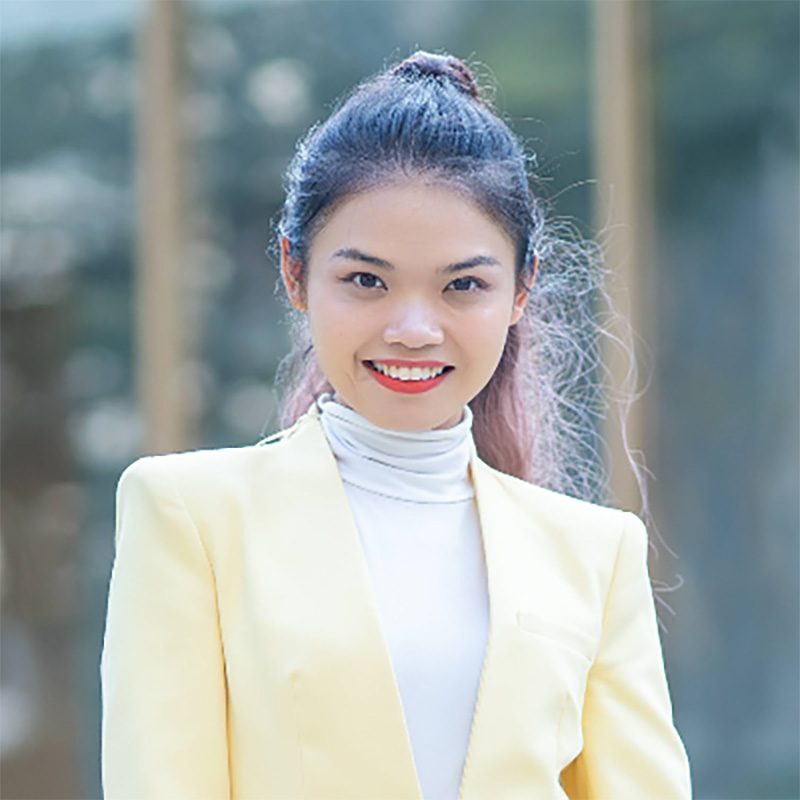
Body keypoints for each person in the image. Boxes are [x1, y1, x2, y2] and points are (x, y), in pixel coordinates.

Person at [100, 51, 692, 799]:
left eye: (463, 286)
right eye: (366, 281)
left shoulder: (596, 554)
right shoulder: (190, 517)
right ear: (294, 274)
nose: (414, 328)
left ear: (520, 290)